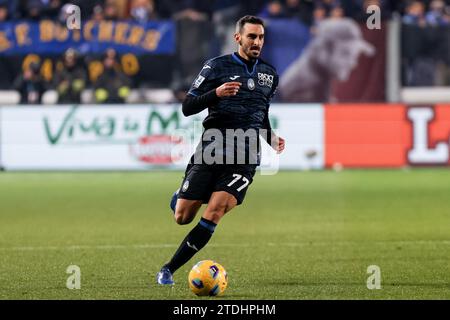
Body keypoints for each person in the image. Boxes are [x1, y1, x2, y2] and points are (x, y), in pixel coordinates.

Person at [156, 15, 285, 285]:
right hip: (213, 147)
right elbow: (188, 106)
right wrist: (216, 93)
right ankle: (183, 194)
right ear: (237, 38)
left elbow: (260, 112)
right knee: (182, 216)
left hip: (246, 156)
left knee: (214, 210)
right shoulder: (216, 67)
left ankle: (168, 269)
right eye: (252, 37)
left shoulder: (269, 75)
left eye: (261, 37)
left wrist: (270, 137)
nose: (257, 42)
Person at [279, 18, 375, 102]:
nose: (353, 63)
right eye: (345, 54)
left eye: (355, 55)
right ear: (324, 51)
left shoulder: (318, 77)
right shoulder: (304, 89)